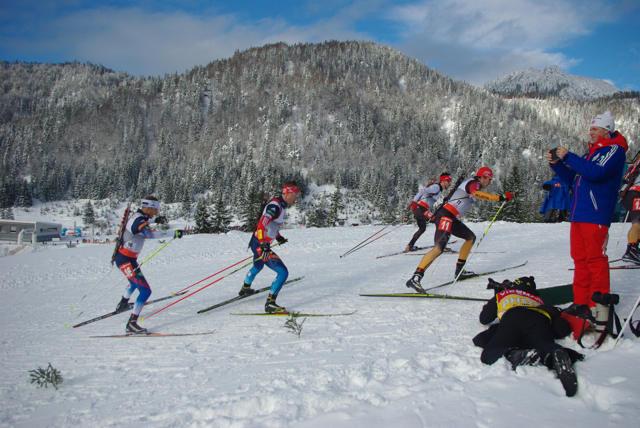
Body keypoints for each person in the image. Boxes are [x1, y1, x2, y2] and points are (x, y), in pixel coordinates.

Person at [546, 111, 628, 330]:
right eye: (590, 128)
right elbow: (575, 178)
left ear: (606, 130)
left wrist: (569, 157)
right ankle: (581, 302)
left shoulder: (614, 150)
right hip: (579, 213)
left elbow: (597, 173)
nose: (590, 132)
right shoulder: (591, 153)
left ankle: (598, 306)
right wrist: (557, 165)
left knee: (595, 259)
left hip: (596, 212)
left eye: (594, 129)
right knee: (580, 259)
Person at [406, 167, 513, 292]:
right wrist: (500, 198)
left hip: (452, 218)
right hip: (446, 216)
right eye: (489, 179)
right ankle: (415, 278)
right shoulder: (474, 184)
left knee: (470, 238)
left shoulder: (473, 183)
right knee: (439, 248)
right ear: (483, 177)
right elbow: (476, 194)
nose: (489, 183)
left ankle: (460, 272)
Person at [473, 276, 582, 397]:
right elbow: (560, 328)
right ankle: (553, 353)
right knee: (544, 346)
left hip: (512, 319)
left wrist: (495, 299)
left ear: (514, 285)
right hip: (540, 319)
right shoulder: (538, 298)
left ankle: (515, 355)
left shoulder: (504, 293)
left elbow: (484, 318)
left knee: (489, 352)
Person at [114, 196, 184, 333]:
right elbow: (149, 234)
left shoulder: (139, 216)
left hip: (127, 259)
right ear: (149, 207)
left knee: (134, 282)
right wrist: (173, 233)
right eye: (155, 210)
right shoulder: (139, 220)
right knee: (145, 291)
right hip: (125, 260)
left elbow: (145, 221)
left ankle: (122, 304)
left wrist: (155, 220)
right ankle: (132, 323)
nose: (156, 212)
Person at [239, 181, 299, 313]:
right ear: (287, 192)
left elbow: (271, 226)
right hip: (260, 244)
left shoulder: (281, 206)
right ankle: (270, 304)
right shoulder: (275, 206)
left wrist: (278, 237)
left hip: (258, 242)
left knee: (258, 266)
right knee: (283, 272)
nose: (296, 198)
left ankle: (245, 289)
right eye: (295, 195)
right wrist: (264, 245)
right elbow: (261, 224)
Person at [406, 173, 452, 251]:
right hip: (421, 209)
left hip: (419, 209)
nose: (449, 184)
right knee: (440, 222)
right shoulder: (436, 187)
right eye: (448, 182)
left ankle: (410, 246)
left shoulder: (438, 189)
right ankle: (439, 246)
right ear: (443, 181)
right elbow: (422, 190)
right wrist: (414, 201)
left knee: (422, 228)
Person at [621, 168, 640, 264]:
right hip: (637, 194)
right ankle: (631, 250)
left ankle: (634, 249)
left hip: (631, 194)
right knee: (637, 223)